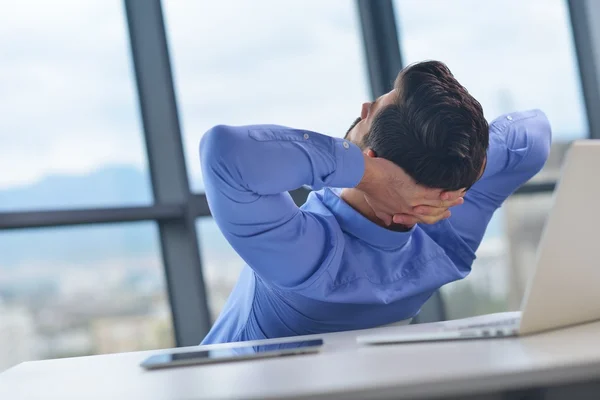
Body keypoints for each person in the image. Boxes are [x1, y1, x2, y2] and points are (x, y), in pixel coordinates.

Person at [199, 60, 551, 344]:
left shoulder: (310, 258)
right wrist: (470, 168)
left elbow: (224, 153)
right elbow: (535, 132)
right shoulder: (447, 237)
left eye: (375, 109)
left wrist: (369, 176)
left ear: (370, 156)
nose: (365, 106)